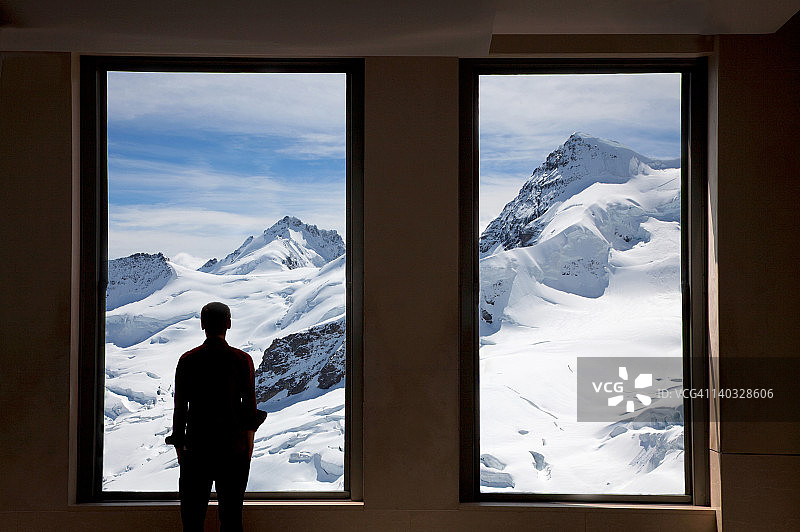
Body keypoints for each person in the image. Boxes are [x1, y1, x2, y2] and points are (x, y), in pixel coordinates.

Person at [166, 302, 266, 532]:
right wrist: (247, 447)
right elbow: (249, 407)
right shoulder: (242, 360)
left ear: (202, 325)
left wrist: (181, 449)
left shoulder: (188, 360)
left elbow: (180, 408)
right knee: (231, 519)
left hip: (197, 448)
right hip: (233, 450)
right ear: (229, 324)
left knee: (192, 521)